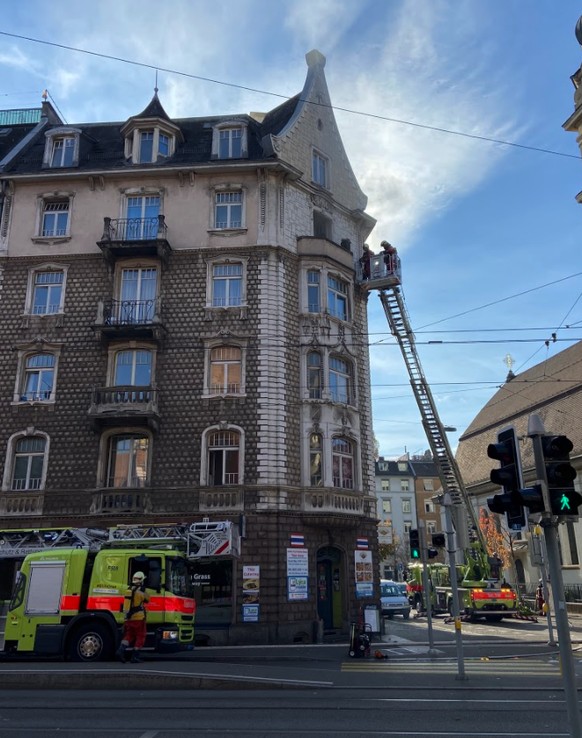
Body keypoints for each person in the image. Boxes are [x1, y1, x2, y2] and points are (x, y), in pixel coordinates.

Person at [116, 571, 150, 663]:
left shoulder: (128, 590)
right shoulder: (140, 592)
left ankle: (121, 650)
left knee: (129, 636)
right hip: (139, 618)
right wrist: (144, 590)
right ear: (141, 581)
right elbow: (148, 599)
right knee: (140, 636)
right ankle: (135, 657)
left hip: (128, 618)